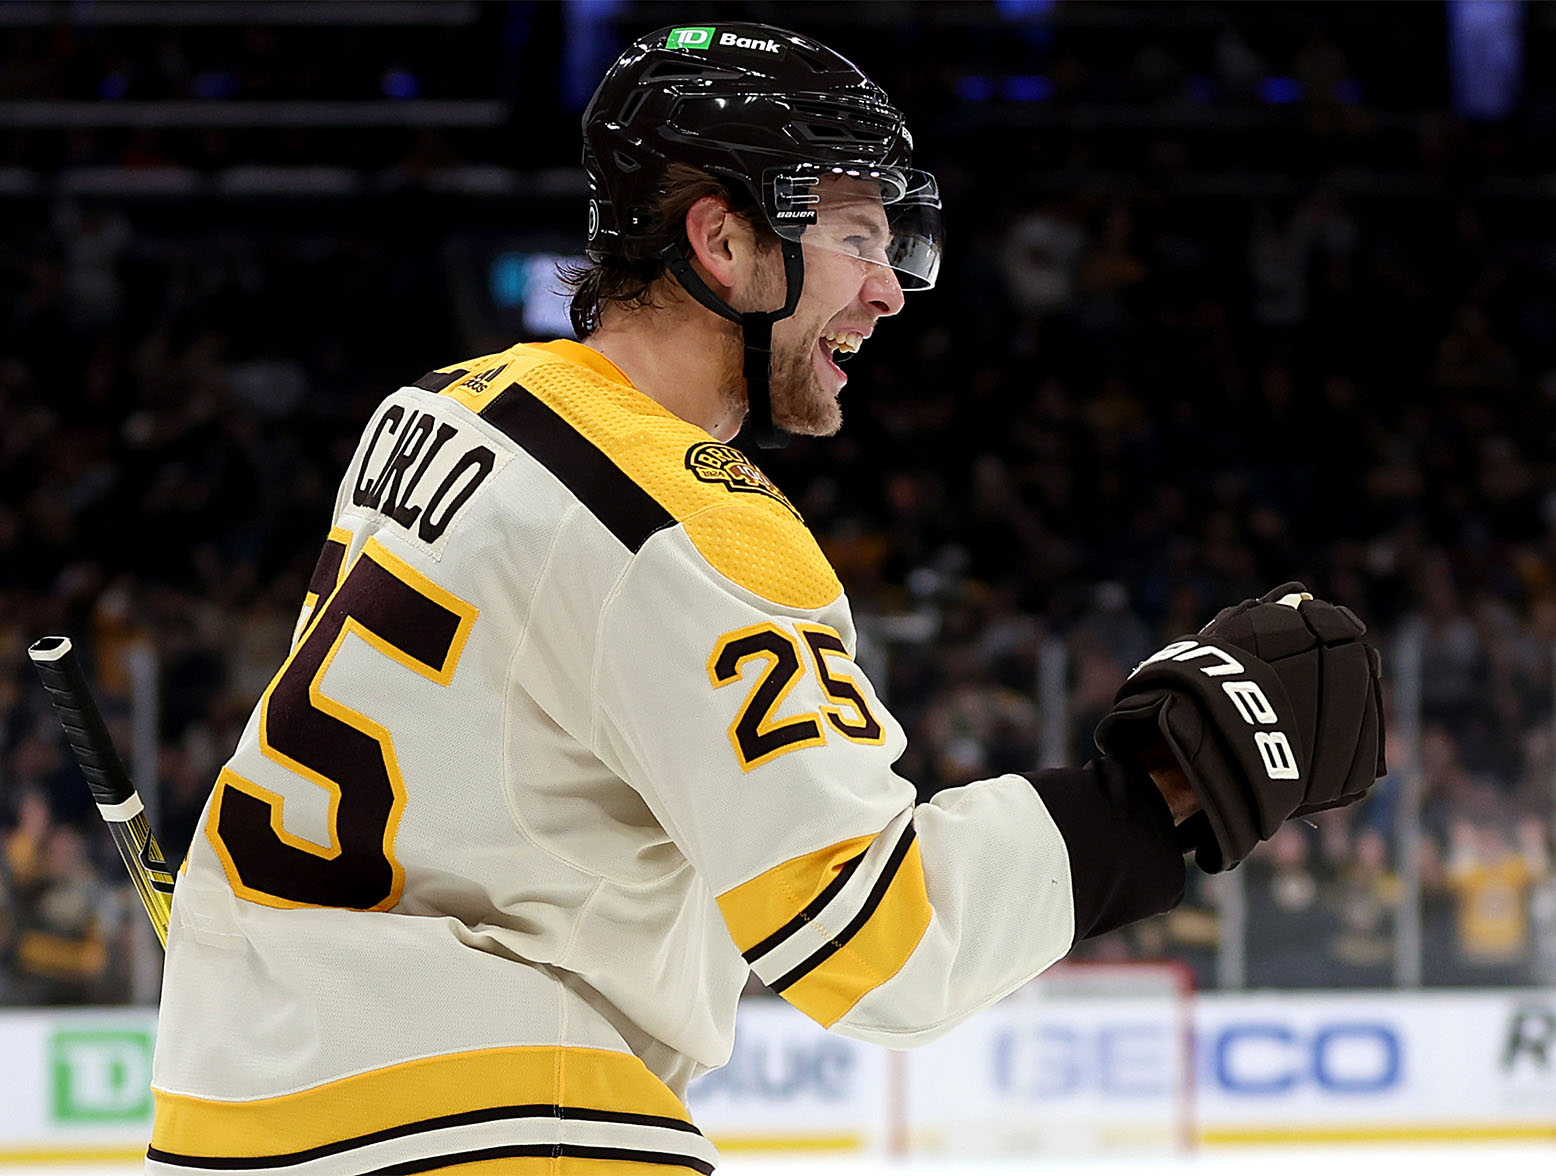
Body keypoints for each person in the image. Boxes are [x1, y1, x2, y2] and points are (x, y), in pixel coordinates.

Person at [147, 24, 1384, 1175]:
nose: (887, 289)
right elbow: (882, 946)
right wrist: (1156, 795)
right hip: (491, 1120)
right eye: (853, 237)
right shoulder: (694, 530)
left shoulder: (438, 404)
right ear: (722, 242)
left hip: (224, 1103)